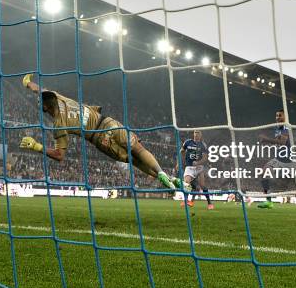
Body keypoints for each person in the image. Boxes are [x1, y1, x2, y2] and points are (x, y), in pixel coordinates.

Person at [18, 74, 179, 190]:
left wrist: (36, 146)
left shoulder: (59, 123)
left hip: (100, 141)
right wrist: (28, 83)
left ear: (45, 107)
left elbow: (59, 155)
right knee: (138, 149)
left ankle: (166, 179)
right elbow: (40, 90)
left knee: (134, 160)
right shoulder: (59, 98)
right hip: (108, 123)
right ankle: (164, 174)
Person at [256, 109, 296, 213]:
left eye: (280, 115)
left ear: (285, 117)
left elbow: (283, 143)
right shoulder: (278, 128)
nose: (277, 117)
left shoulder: (285, 127)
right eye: (276, 115)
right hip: (278, 159)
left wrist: (267, 139)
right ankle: (269, 201)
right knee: (263, 173)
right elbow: (280, 143)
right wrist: (270, 142)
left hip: (290, 162)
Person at [178, 130, 214, 210]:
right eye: (195, 132)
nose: (196, 134)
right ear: (193, 134)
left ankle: (209, 203)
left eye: (198, 133)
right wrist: (181, 161)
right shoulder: (188, 142)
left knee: (202, 185)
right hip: (189, 167)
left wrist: (198, 162)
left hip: (199, 167)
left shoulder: (203, 145)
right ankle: (186, 200)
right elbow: (182, 151)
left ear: (201, 135)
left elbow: (205, 157)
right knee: (186, 183)